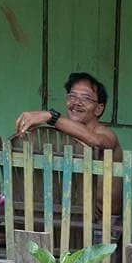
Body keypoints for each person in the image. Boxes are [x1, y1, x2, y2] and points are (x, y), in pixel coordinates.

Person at [14, 72, 122, 220]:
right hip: (66, 216)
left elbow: (97, 141)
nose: (76, 102)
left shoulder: (107, 134)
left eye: (85, 98)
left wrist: (51, 116)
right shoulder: (65, 135)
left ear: (99, 108)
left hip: (101, 223)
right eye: (72, 96)